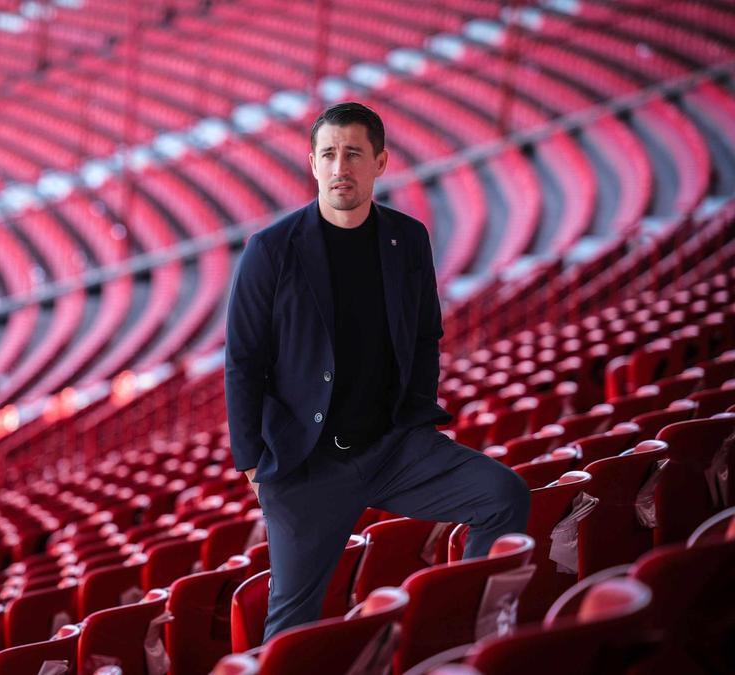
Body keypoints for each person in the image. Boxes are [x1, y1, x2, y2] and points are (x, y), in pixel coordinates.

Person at [224, 102, 530, 641]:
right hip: (306, 465)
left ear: (380, 162)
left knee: (503, 495)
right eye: (329, 154)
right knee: (290, 624)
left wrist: (413, 413)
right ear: (314, 165)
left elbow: (423, 336)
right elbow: (244, 360)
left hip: (392, 447)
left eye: (353, 154)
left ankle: (468, 645)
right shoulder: (270, 251)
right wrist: (252, 463)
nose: (340, 166)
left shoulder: (407, 239)